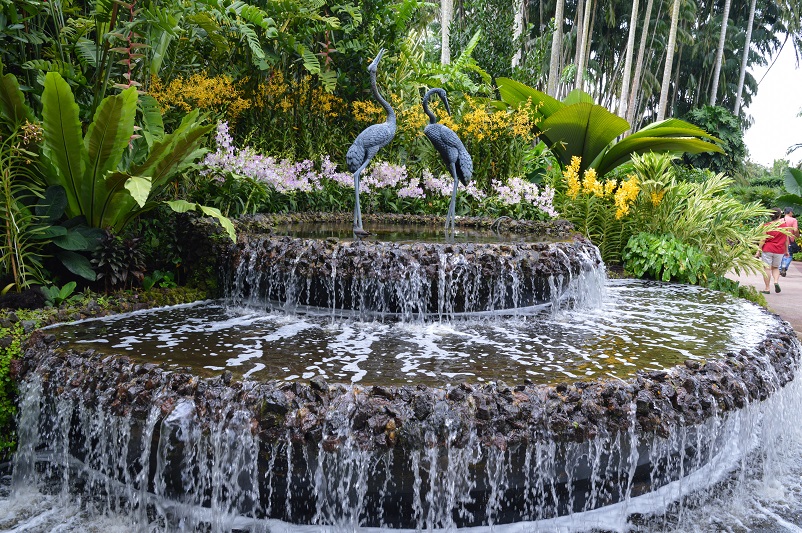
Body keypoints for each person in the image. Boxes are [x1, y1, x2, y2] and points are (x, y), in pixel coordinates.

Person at [757, 208, 791, 294]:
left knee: (767, 268)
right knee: (775, 267)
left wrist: (758, 251)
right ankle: (776, 281)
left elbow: (763, 240)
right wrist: (786, 251)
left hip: (768, 249)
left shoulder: (766, 226)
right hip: (779, 250)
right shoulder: (784, 226)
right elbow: (786, 240)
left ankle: (767, 288)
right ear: (780, 215)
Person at [780, 207, 799, 276]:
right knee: (789, 255)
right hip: (790, 240)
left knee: (781, 254)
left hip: (781, 240)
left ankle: (780, 268)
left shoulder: (780, 220)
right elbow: (795, 229)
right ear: (790, 212)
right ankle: (784, 267)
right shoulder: (793, 220)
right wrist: (797, 235)